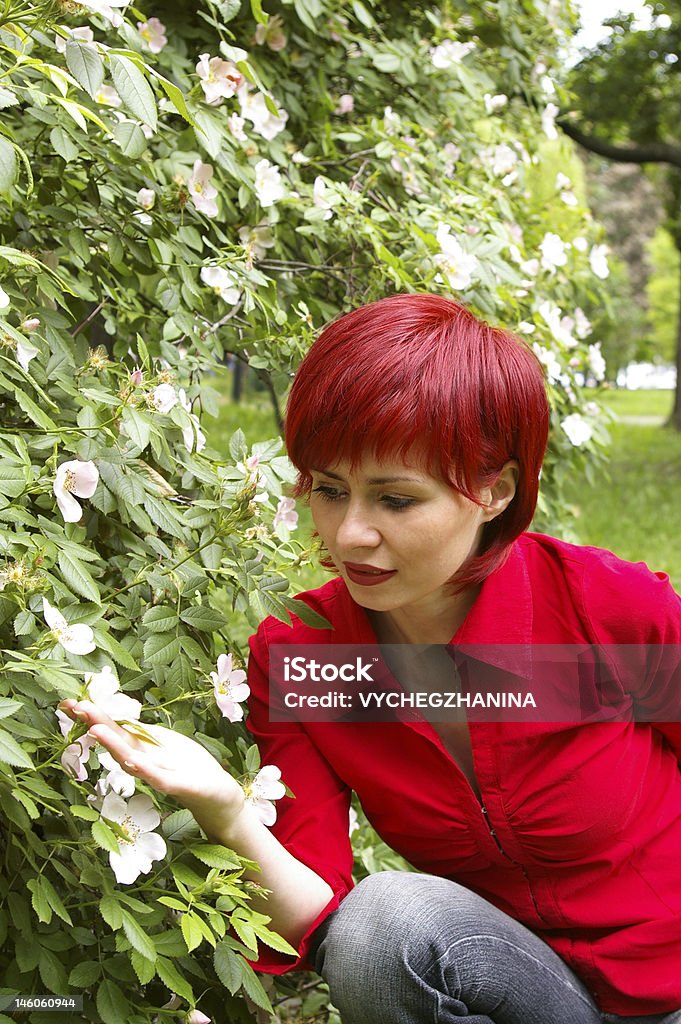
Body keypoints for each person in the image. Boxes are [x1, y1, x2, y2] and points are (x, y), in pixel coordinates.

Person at [60, 294, 681, 1024]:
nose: (349, 533)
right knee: (380, 916)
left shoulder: (603, 610)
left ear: (493, 491)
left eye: (394, 499)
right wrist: (226, 811)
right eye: (329, 489)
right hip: (525, 990)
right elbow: (328, 925)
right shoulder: (310, 661)